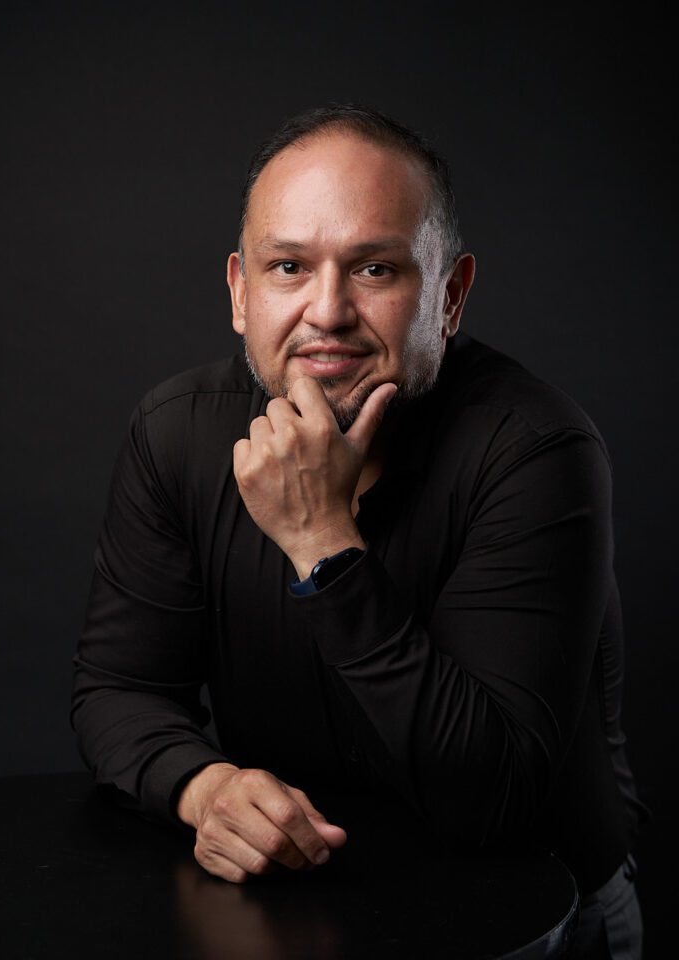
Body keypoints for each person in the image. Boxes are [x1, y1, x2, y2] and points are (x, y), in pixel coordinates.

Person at [71, 105, 648, 955]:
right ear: (240, 292)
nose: (327, 312)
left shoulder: (535, 452)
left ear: (449, 296)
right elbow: (116, 690)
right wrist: (204, 786)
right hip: (300, 913)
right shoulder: (177, 434)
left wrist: (322, 543)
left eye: (375, 268)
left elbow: (487, 797)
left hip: (537, 912)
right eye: (289, 267)